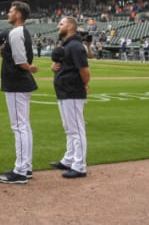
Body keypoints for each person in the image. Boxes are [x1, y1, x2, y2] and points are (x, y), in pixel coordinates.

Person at [0, 1, 38, 185]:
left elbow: (20, 61)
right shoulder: (23, 32)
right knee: (24, 125)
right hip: (21, 82)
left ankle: (20, 170)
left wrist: (29, 67)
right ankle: (26, 167)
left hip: (16, 82)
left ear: (19, 15)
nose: (8, 13)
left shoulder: (15, 32)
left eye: (11, 11)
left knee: (19, 127)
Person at [49, 17, 91, 179]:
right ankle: (69, 159)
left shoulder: (75, 46)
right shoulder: (66, 45)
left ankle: (79, 165)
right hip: (64, 92)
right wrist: (54, 68)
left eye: (61, 24)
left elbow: (85, 71)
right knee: (69, 129)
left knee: (77, 130)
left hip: (72, 92)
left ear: (70, 27)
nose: (58, 26)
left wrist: (83, 85)